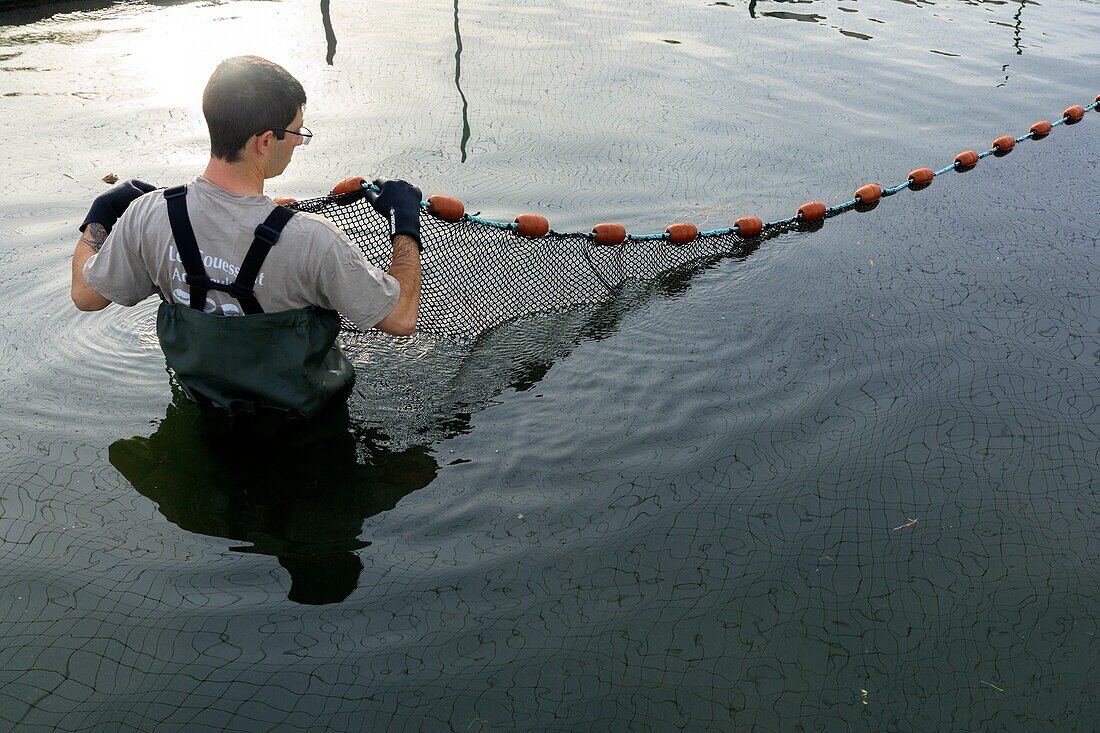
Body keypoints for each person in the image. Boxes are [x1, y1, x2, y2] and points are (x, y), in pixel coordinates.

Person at [69, 55, 422, 419]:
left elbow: (85, 296)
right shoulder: (314, 239)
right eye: (298, 131)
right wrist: (405, 223)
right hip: (305, 431)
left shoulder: (148, 214)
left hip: (203, 415)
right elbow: (400, 319)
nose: (300, 142)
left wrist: (99, 216)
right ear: (266, 141)